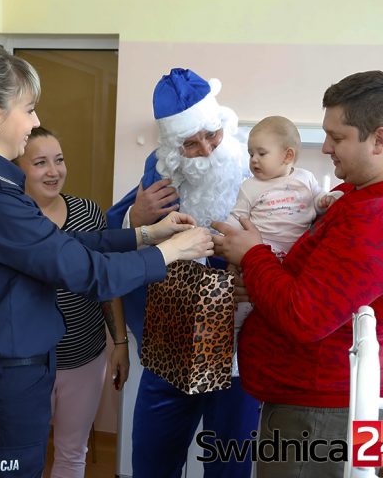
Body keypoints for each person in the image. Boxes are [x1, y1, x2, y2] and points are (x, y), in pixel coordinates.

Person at [0, 43, 214, 478]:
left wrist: (144, 235)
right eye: (30, 109)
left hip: (9, 382)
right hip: (1, 390)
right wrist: (170, 252)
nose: (35, 121)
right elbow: (84, 272)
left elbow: (60, 245)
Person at [212, 70, 383, 478]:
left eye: (338, 137)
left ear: (380, 140)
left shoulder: (378, 220)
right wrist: (260, 282)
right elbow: (317, 282)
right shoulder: (360, 195)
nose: (326, 147)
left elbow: (304, 316)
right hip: (332, 395)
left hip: (321, 411)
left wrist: (253, 254)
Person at [107, 68, 260, 478]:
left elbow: (293, 221)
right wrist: (136, 221)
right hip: (170, 350)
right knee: (153, 461)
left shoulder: (253, 168)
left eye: (212, 135)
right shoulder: (158, 175)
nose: (207, 150)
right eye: (191, 144)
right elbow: (113, 234)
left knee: (230, 466)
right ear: (174, 149)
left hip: (235, 355)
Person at [14, 126, 129, 478]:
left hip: (84, 359)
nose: (54, 171)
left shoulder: (88, 213)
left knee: (72, 452)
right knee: (22, 454)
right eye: (40, 162)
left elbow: (106, 283)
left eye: (59, 160)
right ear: (17, 168)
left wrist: (120, 343)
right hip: (25, 364)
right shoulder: (11, 219)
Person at [227, 115, 342, 339]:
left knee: (274, 312)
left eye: (261, 153)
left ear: (287, 155)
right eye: (251, 154)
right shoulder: (250, 186)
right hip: (260, 253)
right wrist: (224, 237)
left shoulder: (305, 179)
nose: (254, 160)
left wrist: (327, 200)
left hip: (293, 262)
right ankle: (233, 347)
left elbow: (318, 202)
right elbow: (238, 217)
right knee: (241, 310)